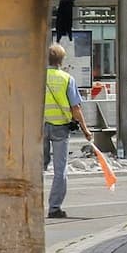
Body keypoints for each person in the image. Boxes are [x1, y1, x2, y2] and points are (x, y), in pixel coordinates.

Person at [44, 42, 93, 219]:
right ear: (62, 60)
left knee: (36, 168)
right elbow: (76, 108)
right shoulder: (67, 79)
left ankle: (30, 204)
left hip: (39, 128)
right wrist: (85, 130)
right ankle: (54, 208)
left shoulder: (37, 77)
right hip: (60, 129)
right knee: (60, 170)